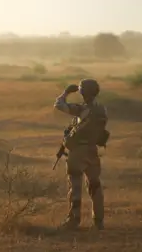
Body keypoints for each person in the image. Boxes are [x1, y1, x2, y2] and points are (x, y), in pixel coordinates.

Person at [53, 79, 108, 230]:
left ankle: (73, 220)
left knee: (75, 186)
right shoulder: (101, 109)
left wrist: (66, 92)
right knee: (95, 185)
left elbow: (59, 105)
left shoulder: (82, 109)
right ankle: (99, 221)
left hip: (78, 152)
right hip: (92, 151)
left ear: (83, 92)